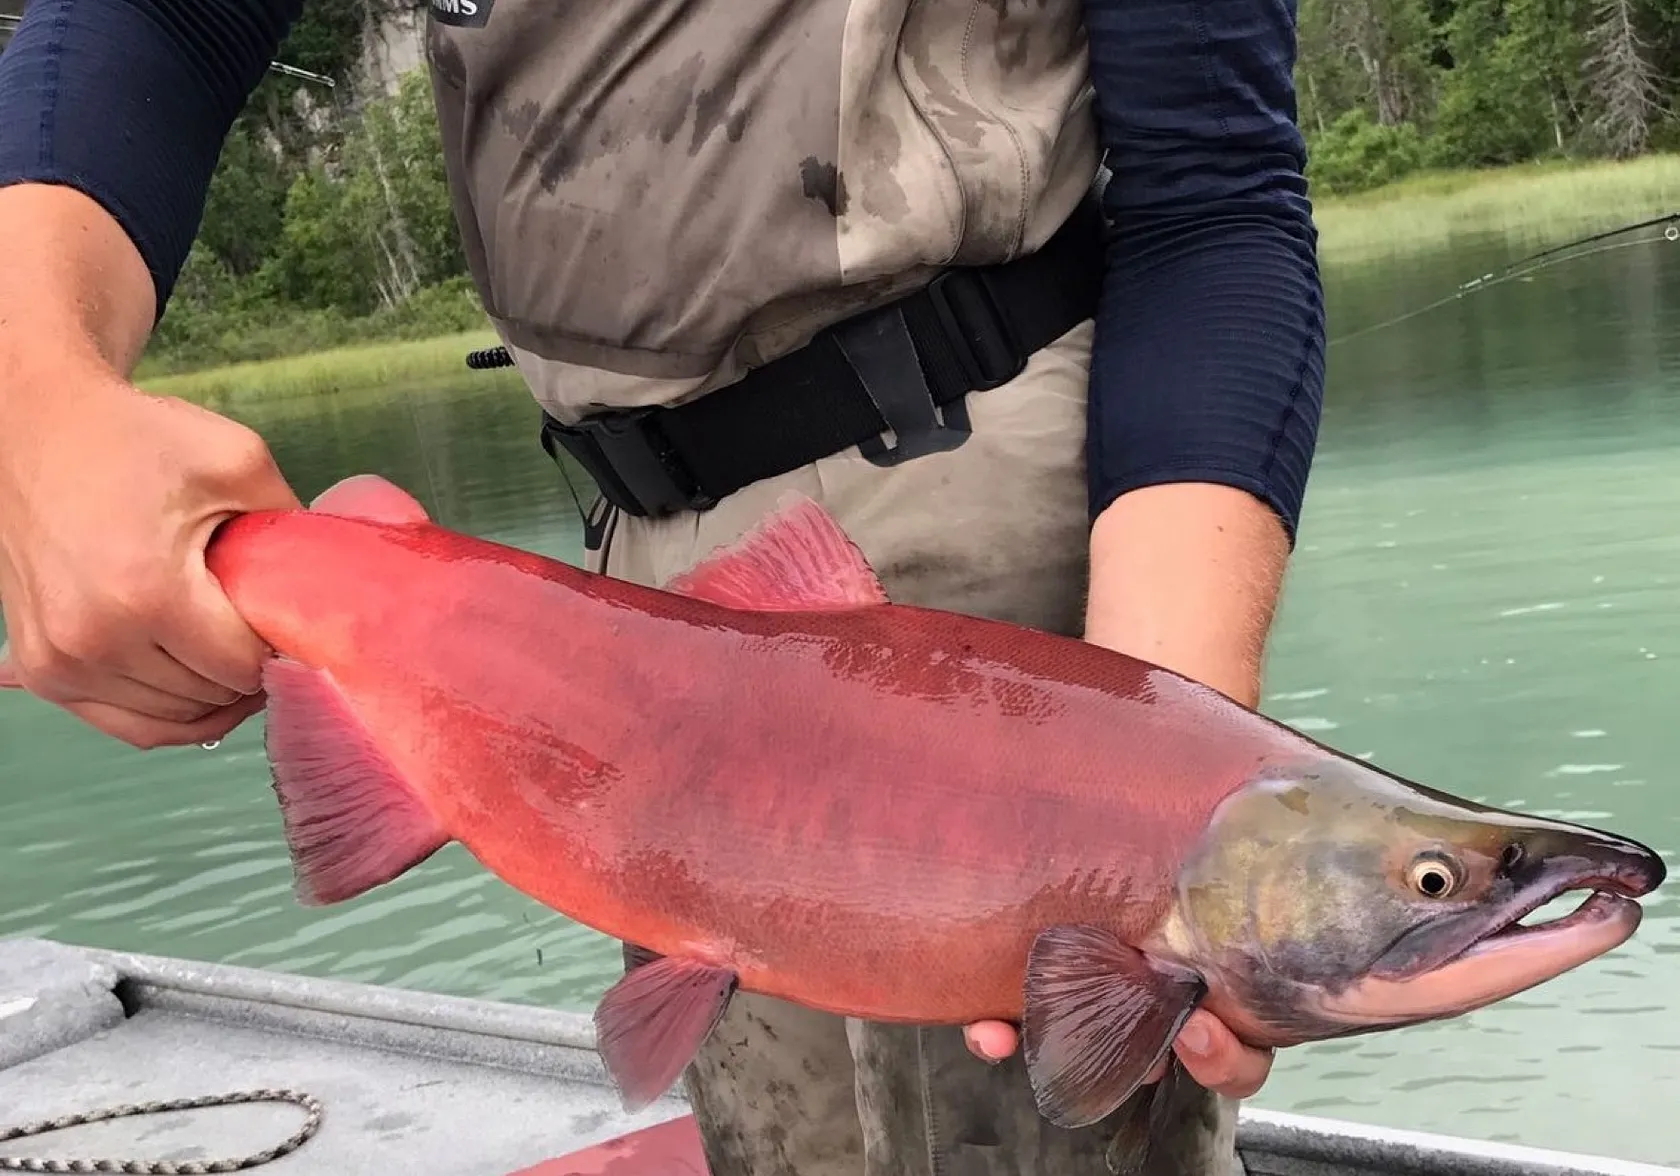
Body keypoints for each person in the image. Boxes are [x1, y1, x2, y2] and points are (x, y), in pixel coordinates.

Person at [0, 0, 1324, 1172]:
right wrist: (36, 392)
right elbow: (167, 20)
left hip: (974, 564)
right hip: (624, 577)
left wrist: (1159, 821)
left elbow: (1210, 188)